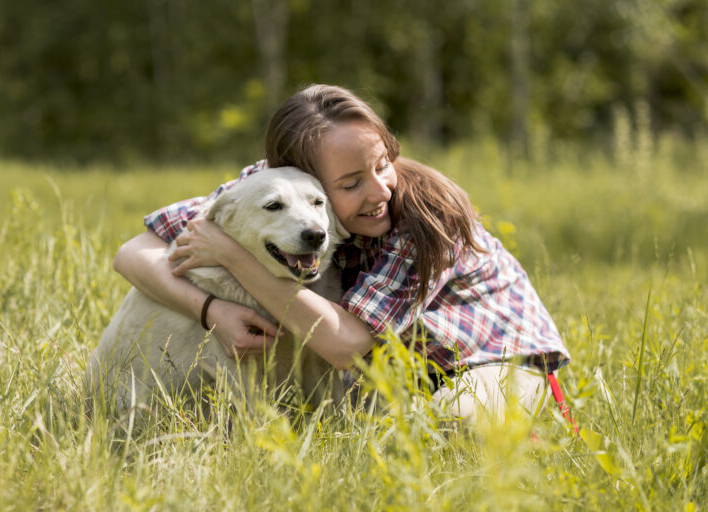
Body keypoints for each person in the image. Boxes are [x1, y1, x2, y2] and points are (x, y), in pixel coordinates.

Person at [113, 84, 571, 429]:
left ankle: (522, 432)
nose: (378, 192)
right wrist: (211, 310)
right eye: (350, 185)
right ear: (298, 176)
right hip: (391, 378)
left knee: (454, 424)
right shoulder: (281, 190)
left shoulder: (425, 219)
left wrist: (234, 257)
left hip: (487, 364)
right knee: (356, 429)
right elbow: (134, 252)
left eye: (382, 164)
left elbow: (347, 346)